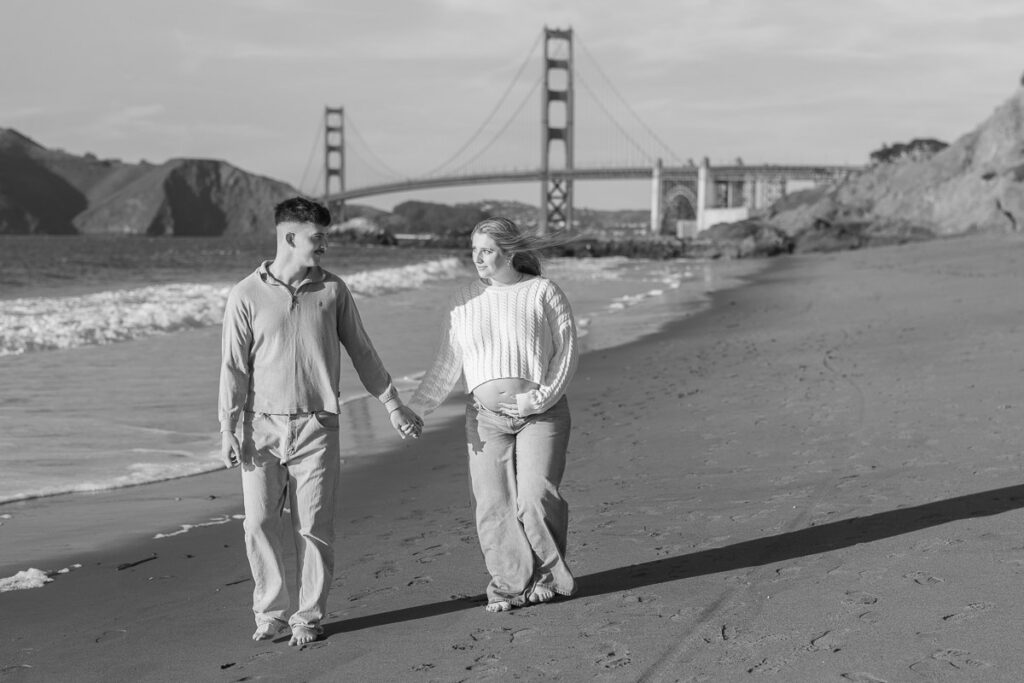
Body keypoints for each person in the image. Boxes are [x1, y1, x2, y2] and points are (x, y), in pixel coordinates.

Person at [218, 196, 422, 646]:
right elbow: (233, 367)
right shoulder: (245, 294)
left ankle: (307, 616)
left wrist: (392, 402)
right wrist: (227, 428)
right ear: (290, 237)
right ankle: (269, 613)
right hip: (260, 427)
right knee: (258, 524)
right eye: (319, 236)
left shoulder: (333, 290)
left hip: (317, 427)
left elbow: (362, 351)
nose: (326, 243)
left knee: (312, 527)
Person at [409, 216, 579, 612]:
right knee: (493, 506)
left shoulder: (543, 291)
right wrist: (418, 407)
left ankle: (545, 576)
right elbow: (447, 361)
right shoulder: (464, 299)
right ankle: (508, 586)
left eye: (486, 251)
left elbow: (567, 354)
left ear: (509, 252)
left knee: (535, 499)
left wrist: (538, 400)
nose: (477, 258)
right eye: (474, 251)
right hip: (485, 418)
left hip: (542, 413)